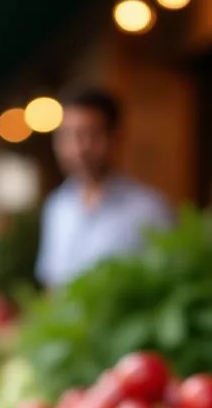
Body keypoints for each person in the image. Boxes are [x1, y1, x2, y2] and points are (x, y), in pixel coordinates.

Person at [35, 88, 172, 288]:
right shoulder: (57, 206)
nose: (78, 148)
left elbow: (166, 283)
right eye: (67, 136)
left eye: (89, 135)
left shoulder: (149, 209)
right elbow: (52, 285)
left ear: (116, 138)